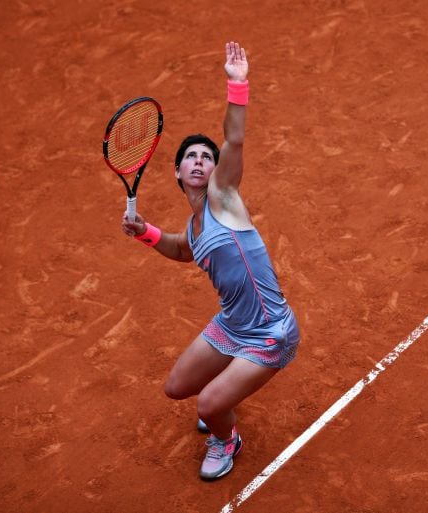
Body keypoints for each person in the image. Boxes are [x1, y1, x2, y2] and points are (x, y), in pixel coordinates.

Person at [120, 41, 300, 481]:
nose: (199, 161)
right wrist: (145, 232)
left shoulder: (223, 197)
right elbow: (184, 249)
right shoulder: (197, 222)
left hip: (270, 333)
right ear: (178, 173)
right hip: (232, 324)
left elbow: (234, 138)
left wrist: (237, 85)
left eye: (206, 157)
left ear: (216, 171)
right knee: (177, 389)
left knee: (208, 405)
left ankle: (226, 437)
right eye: (190, 158)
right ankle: (224, 398)